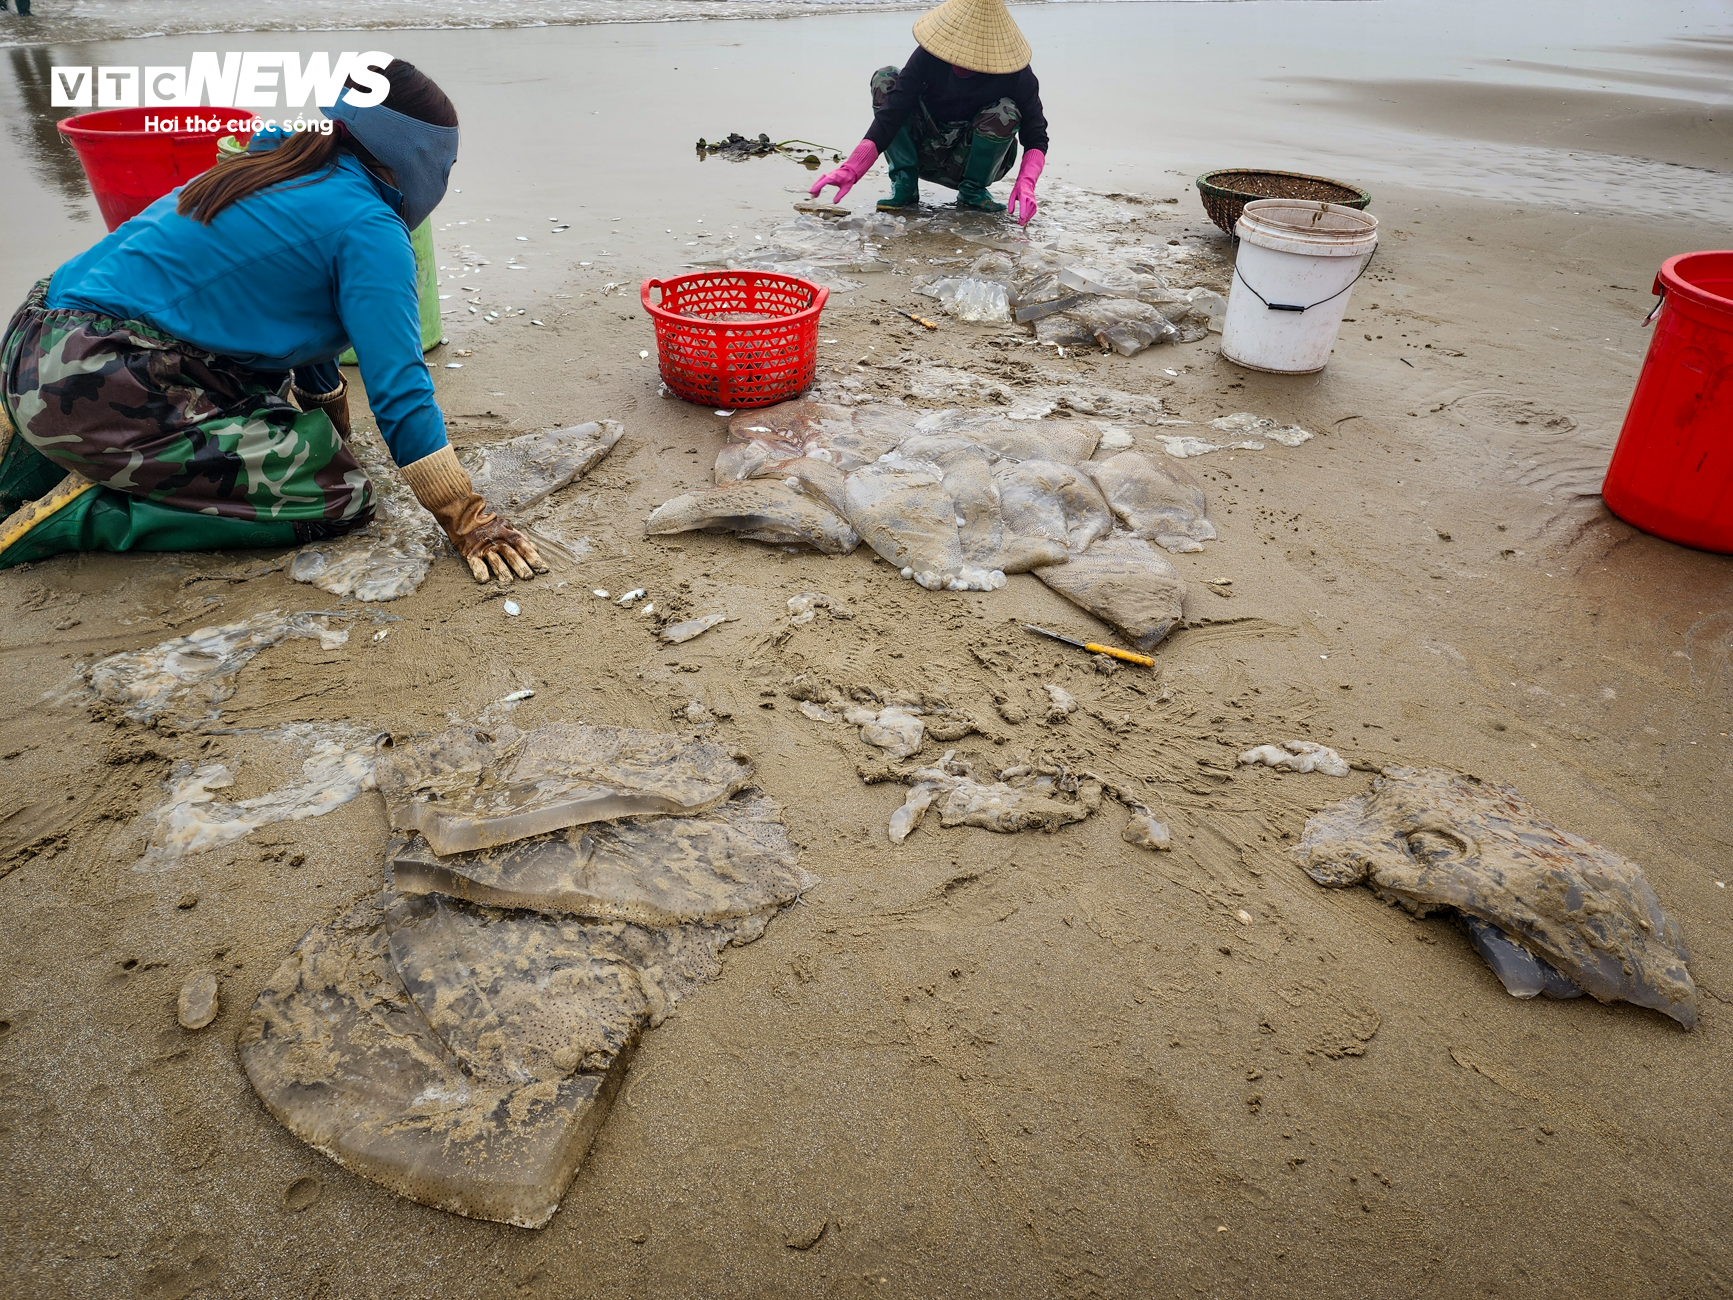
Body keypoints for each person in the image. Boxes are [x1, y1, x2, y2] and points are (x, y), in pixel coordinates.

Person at [0, 58, 543, 582]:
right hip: (95, 376)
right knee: (339, 497)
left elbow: (303, 320)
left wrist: (332, 428)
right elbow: (400, 388)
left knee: (272, 400)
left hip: (34, 347)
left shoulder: (279, 164)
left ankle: (42, 460)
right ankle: (90, 512)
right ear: (418, 158)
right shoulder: (369, 226)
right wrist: (467, 520)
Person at [809, 0, 1046, 224]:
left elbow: (1036, 136)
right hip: (924, 147)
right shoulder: (928, 57)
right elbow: (891, 112)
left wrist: (1026, 183)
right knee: (885, 78)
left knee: (1006, 110)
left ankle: (973, 190)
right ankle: (904, 183)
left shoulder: (1016, 75)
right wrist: (852, 168)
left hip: (968, 159)